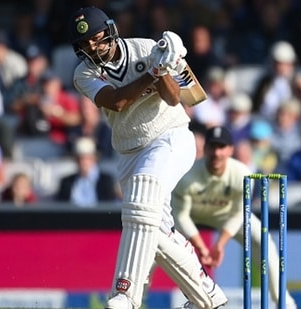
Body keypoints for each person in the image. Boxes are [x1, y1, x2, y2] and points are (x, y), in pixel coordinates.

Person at [68, 7, 227, 309]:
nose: (93, 48)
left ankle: (125, 293)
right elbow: (117, 102)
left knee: (142, 201)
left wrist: (165, 65)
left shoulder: (143, 48)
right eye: (85, 44)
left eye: (97, 39)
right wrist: (153, 72)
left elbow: (174, 97)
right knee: (152, 227)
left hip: (171, 136)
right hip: (130, 151)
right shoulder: (83, 74)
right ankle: (207, 296)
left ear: (111, 31)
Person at [171, 126, 298, 309]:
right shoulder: (188, 175)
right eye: (213, 147)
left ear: (231, 150)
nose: (217, 153)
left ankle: (284, 301)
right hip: (191, 215)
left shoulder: (242, 173)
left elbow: (240, 213)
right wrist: (201, 247)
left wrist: (219, 245)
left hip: (227, 216)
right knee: (157, 239)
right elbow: (181, 216)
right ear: (205, 149)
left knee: (262, 239)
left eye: (222, 147)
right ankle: (133, 299)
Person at [55, 137, 121, 207]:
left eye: (87, 158)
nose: (83, 162)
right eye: (80, 158)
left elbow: (109, 205)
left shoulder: (105, 181)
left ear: (94, 158)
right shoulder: (66, 182)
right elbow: (62, 206)